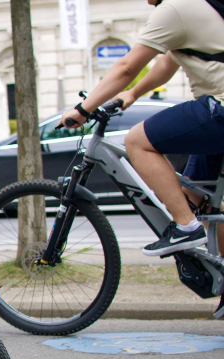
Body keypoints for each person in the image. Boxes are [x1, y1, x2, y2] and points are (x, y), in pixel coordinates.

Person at [59, 0, 224, 260]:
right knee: (197, 199)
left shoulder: (173, 9)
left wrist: (83, 109)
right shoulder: (195, 5)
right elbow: (168, 62)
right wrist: (133, 93)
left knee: (137, 140)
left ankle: (186, 227)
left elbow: (127, 67)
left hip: (218, 109)